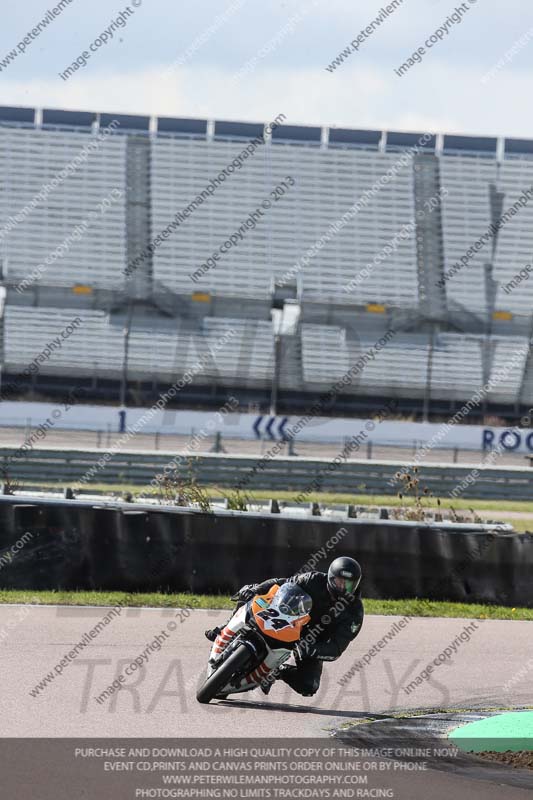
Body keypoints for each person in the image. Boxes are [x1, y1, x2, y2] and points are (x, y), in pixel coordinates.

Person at [205, 556, 364, 698]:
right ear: (331, 578)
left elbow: (336, 648)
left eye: (348, 584)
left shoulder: (354, 613)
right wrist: (257, 589)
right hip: (289, 619)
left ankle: (277, 671)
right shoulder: (313, 579)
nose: (343, 587)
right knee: (251, 594)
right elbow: (282, 583)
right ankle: (225, 626)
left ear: (355, 584)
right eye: (339, 581)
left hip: (311, 641)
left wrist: (312, 649)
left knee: (309, 686)